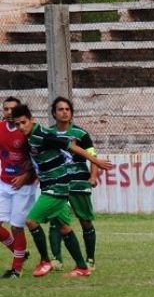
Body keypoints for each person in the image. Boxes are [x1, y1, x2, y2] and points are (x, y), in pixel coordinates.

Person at [11, 104, 112, 278]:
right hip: (50, 185)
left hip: (57, 186)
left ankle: (45, 261)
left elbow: (70, 146)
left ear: (31, 120)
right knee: (65, 228)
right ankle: (82, 267)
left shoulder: (42, 135)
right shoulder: (30, 137)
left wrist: (96, 161)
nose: (20, 127)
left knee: (31, 221)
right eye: (17, 124)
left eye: (23, 123)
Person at [46, 97, 100, 272]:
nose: (64, 112)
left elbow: (93, 157)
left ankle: (90, 259)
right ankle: (56, 259)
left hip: (78, 182)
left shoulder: (81, 134)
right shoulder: (48, 134)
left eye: (67, 109)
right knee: (56, 221)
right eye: (60, 109)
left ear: (71, 113)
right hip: (57, 182)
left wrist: (92, 177)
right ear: (54, 113)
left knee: (85, 221)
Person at [0, 97, 34, 278]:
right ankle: (20, 252)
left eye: (12, 109)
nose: (9, 112)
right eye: (5, 109)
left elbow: (37, 161)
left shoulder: (28, 132)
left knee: (16, 227)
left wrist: (26, 176)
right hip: (4, 183)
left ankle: (16, 269)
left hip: (23, 186)